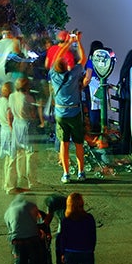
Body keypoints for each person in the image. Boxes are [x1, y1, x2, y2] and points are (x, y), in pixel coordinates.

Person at [49, 32, 88, 183]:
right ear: (66, 66)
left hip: (60, 113)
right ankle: (81, 172)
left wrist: (66, 43)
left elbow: (56, 57)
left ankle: (66, 173)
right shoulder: (73, 75)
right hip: (75, 111)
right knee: (79, 143)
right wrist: (77, 42)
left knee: (64, 144)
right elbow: (83, 59)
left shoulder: (53, 74)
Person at [5, 192, 54, 264]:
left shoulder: (9, 211)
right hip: (32, 241)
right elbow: (37, 221)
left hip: (17, 243)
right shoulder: (30, 205)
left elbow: (10, 227)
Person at [62, 192, 103, 264]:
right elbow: (92, 236)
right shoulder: (88, 218)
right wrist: (91, 248)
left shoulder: (66, 220)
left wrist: (63, 253)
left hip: (71, 251)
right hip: (86, 251)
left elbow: (63, 238)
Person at [7, 75, 42, 190]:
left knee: (18, 154)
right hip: (27, 125)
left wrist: (10, 126)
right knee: (30, 154)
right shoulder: (28, 98)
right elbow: (32, 114)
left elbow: (9, 113)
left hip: (16, 124)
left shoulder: (12, 97)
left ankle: (20, 178)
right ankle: (31, 181)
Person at [0, 81, 21, 193]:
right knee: (12, 160)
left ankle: (6, 183)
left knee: (7, 159)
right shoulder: (9, 104)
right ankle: (11, 186)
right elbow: (10, 120)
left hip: (3, 131)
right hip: (10, 133)